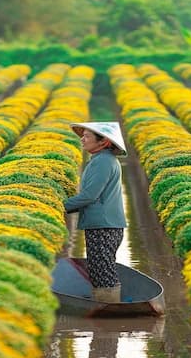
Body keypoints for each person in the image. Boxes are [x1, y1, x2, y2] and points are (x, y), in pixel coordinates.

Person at [65, 122, 127, 303]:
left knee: (102, 271)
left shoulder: (102, 162)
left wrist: (61, 206)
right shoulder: (102, 160)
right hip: (105, 223)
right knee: (100, 268)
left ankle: (108, 312)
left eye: (87, 136)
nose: (82, 140)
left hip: (104, 225)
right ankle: (106, 308)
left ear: (103, 142)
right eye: (82, 135)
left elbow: (90, 196)